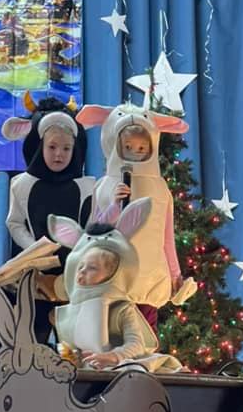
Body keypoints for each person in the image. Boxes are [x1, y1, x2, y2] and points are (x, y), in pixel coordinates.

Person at [76, 102, 191, 329]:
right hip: (111, 282)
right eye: (128, 147)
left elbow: (167, 236)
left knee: (145, 338)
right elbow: (94, 232)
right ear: (115, 144)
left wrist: (175, 274)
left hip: (148, 280)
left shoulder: (160, 189)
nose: (135, 153)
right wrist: (115, 206)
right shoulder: (104, 186)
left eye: (141, 148)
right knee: (110, 338)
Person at [47, 198, 181, 372]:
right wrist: (73, 357)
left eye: (92, 268)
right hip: (87, 371)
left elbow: (136, 344)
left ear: (113, 273)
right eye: (81, 267)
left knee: (132, 371)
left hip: (120, 366)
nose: (83, 272)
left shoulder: (122, 309)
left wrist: (113, 356)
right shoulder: (70, 313)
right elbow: (70, 348)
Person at [2, 95, 94, 341]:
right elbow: (14, 222)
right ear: (40, 145)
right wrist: (35, 248)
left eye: (66, 148)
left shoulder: (86, 187)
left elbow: (90, 227)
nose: (58, 154)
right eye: (52, 147)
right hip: (35, 275)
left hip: (73, 277)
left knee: (74, 341)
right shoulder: (21, 184)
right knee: (33, 338)